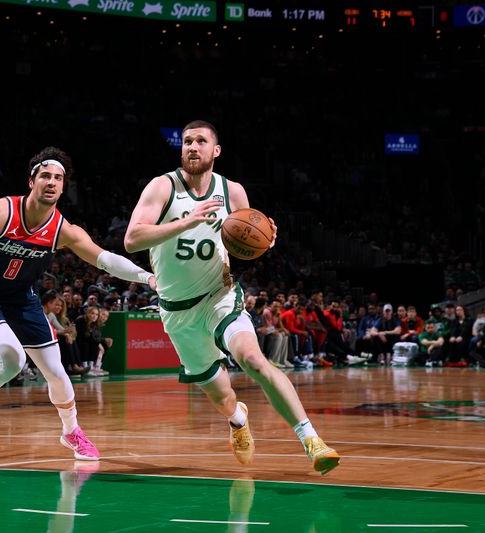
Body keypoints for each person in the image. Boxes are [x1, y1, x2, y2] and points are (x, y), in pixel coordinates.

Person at [124, 120, 340, 475]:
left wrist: (265, 239)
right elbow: (133, 239)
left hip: (218, 296)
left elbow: (242, 240)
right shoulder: (163, 186)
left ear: (216, 150)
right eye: (187, 141)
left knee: (254, 359)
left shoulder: (233, 191)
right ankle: (238, 419)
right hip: (177, 313)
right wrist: (186, 221)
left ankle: (311, 440)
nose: (192, 147)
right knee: (222, 397)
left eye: (201, 141)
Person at [0, 146, 156, 460]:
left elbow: (104, 259)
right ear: (32, 181)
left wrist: (147, 278)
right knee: (12, 358)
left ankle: (71, 431)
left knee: (56, 372)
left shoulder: (62, 231)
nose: (51, 182)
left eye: (58, 178)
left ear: (63, 187)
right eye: (45, 175)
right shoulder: (0, 212)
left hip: (22, 300)